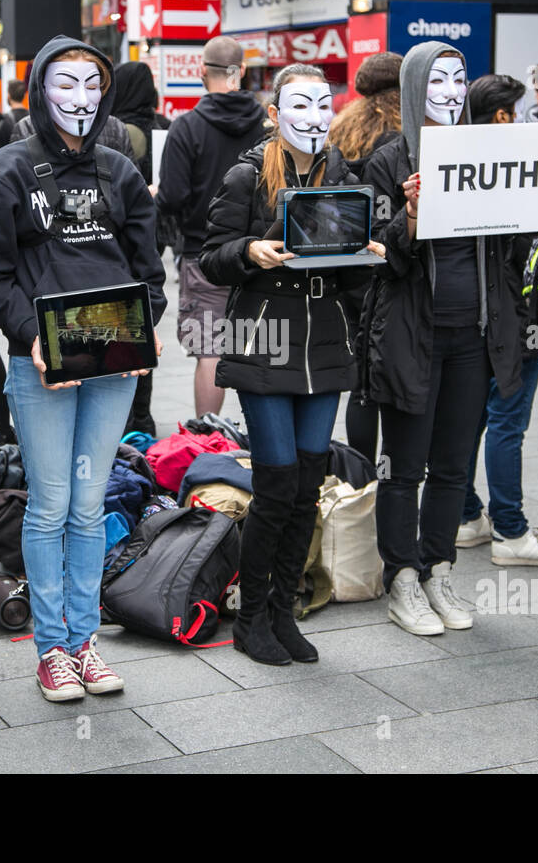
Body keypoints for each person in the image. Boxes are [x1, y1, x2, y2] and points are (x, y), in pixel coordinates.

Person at [0, 35, 166, 702]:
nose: (79, 97)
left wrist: (148, 328)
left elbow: (148, 266)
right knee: (51, 504)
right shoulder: (9, 169)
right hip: (43, 361)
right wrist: (30, 336)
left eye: (91, 83)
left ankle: (84, 640)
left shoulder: (121, 170)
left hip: (111, 356)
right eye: (65, 82)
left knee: (87, 506)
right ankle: (51, 647)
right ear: (40, 89)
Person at [201, 63, 384, 665]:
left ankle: (285, 609)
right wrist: (248, 251)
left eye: (324, 104)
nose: (314, 117)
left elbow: (352, 260)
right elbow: (212, 255)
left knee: (307, 486)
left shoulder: (345, 174)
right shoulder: (248, 174)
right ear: (275, 114)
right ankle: (251, 616)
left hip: (325, 341)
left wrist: (372, 249)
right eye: (300, 106)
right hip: (266, 336)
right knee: (277, 484)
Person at [360, 42, 523, 636]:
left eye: (459, 80)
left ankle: (438, 569)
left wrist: (536, 198)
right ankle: (401, 577)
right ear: (412, 88)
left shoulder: (488, 150)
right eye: (438, 80)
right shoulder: (387, 160)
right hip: (412, 334)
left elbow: (511, 250)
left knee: (454, 465)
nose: (452, 92)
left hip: (475, 336)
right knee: (406, 467)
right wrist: (407, 214)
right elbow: (379, 257)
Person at [455, 74, 538, 566]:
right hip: (518, 311)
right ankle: (511, 531)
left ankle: (466, 516)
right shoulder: (522, 164)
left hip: (471, 311)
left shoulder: (458, 157)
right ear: (503, 115)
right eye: (519, 109)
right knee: (507, 421)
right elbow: (533, 247)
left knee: (470, 421)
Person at [156, 35, 267, 418]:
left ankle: (208, 437)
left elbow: (170, 197)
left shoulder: (186, 127)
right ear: (243, 72)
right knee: (266, 346)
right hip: (260, 253)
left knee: (209, 349)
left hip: (202, 253)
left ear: (202, 72)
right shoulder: (269, 125)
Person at [329, 50, 404, 462]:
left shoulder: (340, 128)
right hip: (392, 263)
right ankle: (397, 466)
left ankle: (362, 471)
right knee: (393, 370)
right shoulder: (406, 133)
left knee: (361, 383)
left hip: (349, 263)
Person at [112, 60, 169, 435]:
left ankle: (125, 410)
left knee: (121, 318)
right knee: (143, 315)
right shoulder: (165, 126)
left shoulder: (113, 129)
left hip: (120, 234)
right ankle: (143, 414)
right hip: (155, 231)